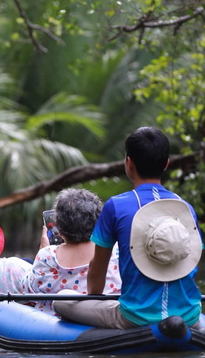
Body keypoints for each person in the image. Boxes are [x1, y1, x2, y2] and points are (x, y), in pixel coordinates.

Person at [54, 126, 203, 329]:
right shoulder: (186, 208)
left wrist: (95, 299)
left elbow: (97, 273)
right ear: (166, 164)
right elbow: (193, 261)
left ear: (129, 163)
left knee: (62, 299)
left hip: (134, 318)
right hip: (190, 318)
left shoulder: (116, 206)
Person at [21, 188, 121, 314]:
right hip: (101, 323)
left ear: (59, 228)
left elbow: (28, 289)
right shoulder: (115, 251)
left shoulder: (47, 256)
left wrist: (43, 251)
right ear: (99, 222)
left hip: (51, 327)